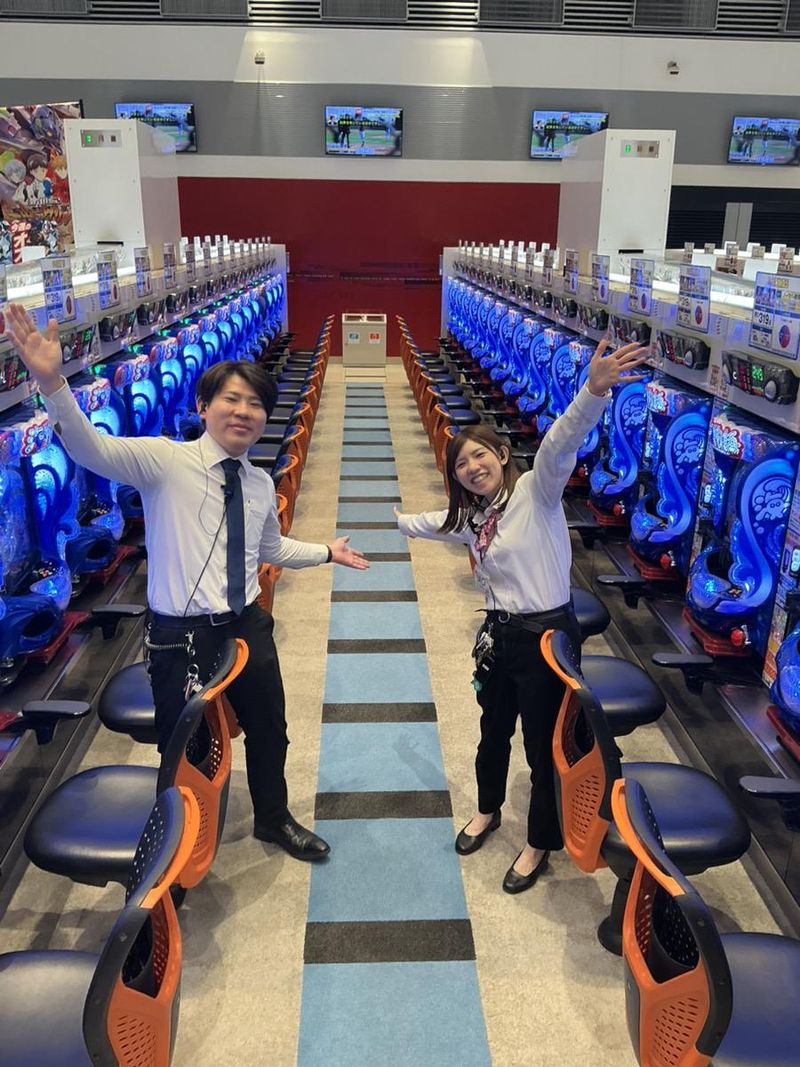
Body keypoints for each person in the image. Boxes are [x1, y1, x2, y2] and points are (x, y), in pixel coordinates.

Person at [2, 303, 370, 863]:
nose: (244, 412)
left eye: (255, 404)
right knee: (185, 743)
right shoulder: (163, 461)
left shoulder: (257, 483)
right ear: (202, 406)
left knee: (270, 728)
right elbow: (89, 449)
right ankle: (178, 847)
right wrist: (53, 384)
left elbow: (269, 550)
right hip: (180, 635)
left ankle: (273, 819)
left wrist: (325, 552)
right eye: (232, 400)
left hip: (246, 624)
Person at [394, 339, 646, 894]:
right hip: (500, 634)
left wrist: (592, 391)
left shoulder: (538, 491)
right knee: (492, 731)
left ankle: (538, 843)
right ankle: (487, 810)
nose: (472, 467)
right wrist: (399, 521)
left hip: (547, 637)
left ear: (502, 454)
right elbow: (439, 523)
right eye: (461, 464)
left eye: (479, 456)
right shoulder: (476, 517)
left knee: (542, 747)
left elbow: (560, 442)